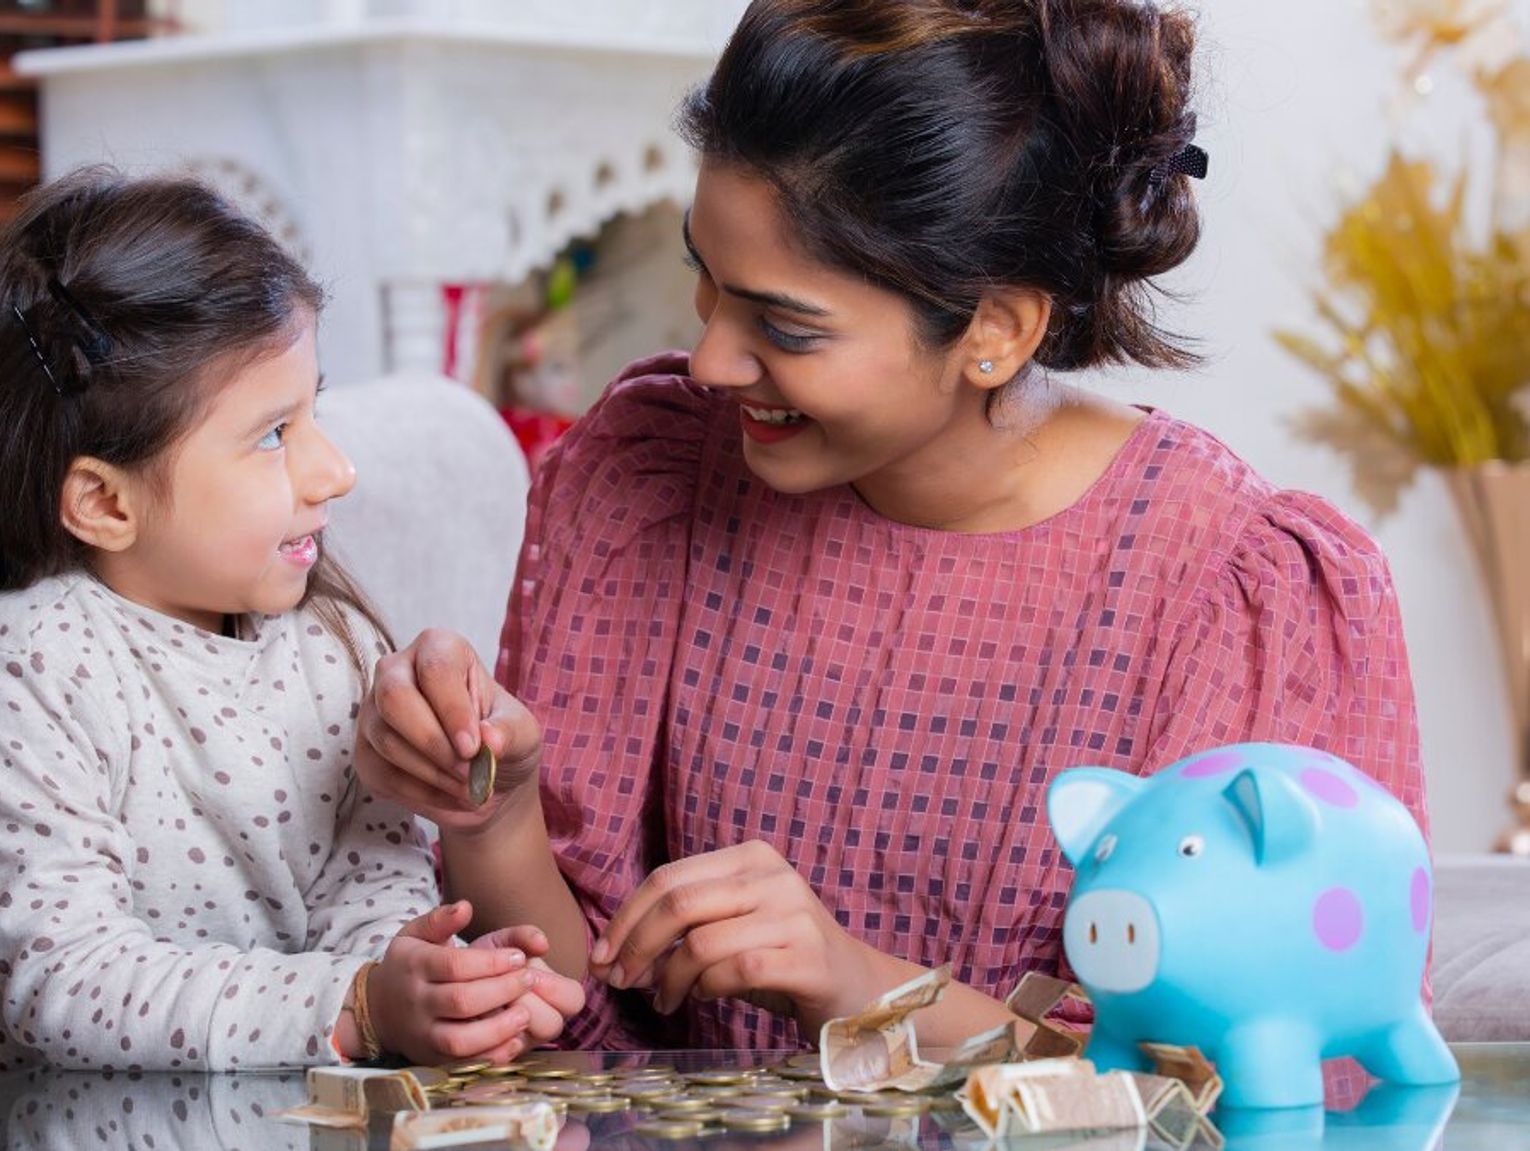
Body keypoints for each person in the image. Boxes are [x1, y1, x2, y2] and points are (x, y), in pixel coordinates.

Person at [356, 0, 1432, 1053]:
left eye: (785, 324)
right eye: (706, 279)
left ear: (997, 330)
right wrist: (489, 806)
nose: (712, 360)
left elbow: (1227, 1097)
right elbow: (569, 1018)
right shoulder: (650, 473)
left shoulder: (1233, 590)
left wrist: (858, 984)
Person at [0, 170, 583, 1071]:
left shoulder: (332, 646)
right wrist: (350, 1007)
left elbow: (372, 888)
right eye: (275, 433)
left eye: (316, 409)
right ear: (103, 503)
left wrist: (436, 984)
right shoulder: (35, 665)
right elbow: (63, 981)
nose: (334, 470)